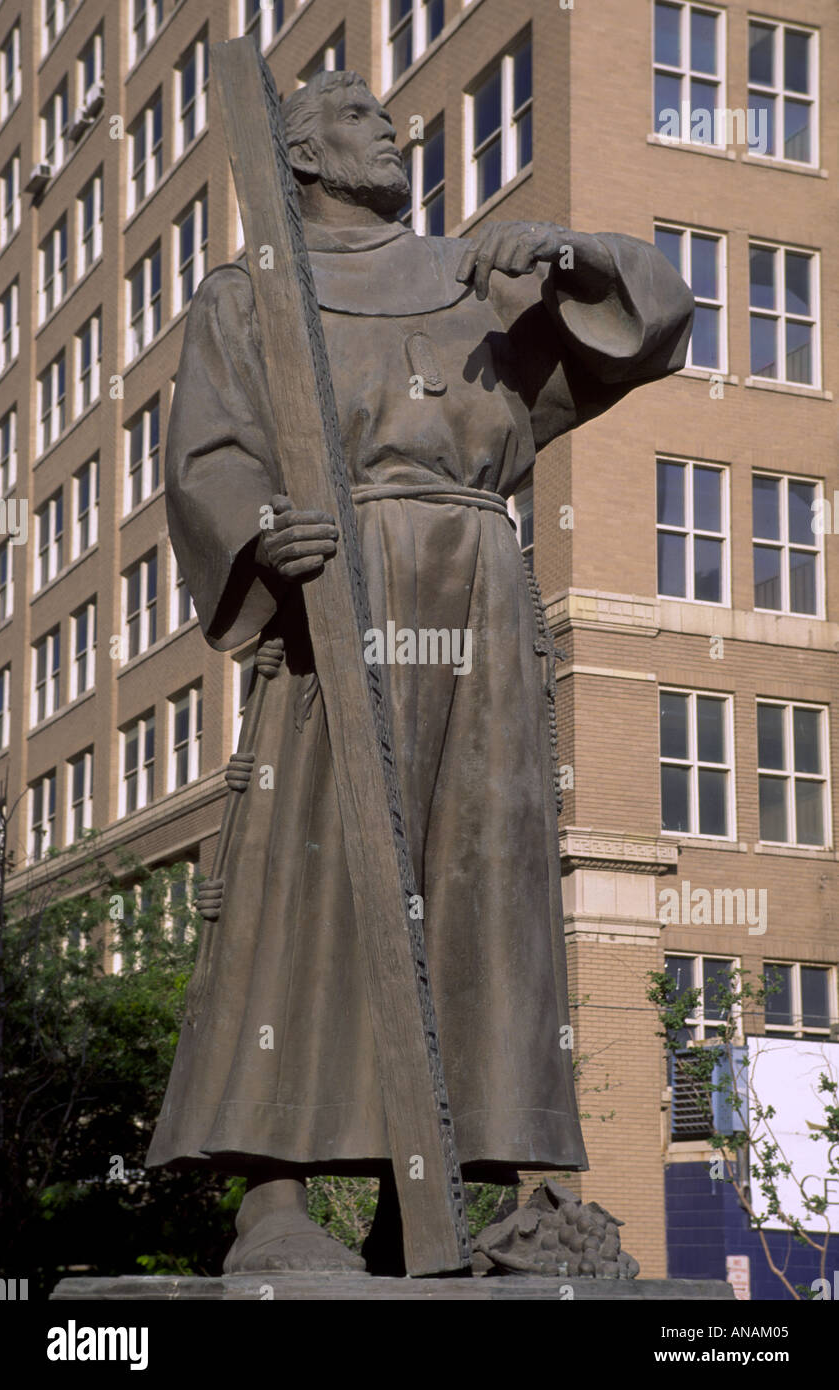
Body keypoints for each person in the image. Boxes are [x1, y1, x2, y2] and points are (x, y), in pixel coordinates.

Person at [146, 69, 694, 1276]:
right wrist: (260, 531)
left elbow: (652, 319)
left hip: (480, 599)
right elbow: (208, 453)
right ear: (296, 156)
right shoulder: (250, 296)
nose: (386, 126)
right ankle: (273, 1199)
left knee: (483, 885)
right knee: (312, 875)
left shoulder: (476, 281)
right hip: (336, 591)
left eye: (386, 118)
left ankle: (452, 1190)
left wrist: (579, 256)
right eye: (351, 116)